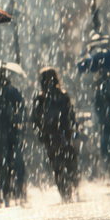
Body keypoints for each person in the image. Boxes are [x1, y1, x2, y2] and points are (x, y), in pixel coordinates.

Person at [32, 67, 79, 201]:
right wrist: (73, 128)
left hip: (50, 137)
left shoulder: (40, 99)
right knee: (70, 161)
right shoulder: (63, 96)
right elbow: (71, 115)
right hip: (64, 134)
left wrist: (40, 132)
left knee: (56, 166)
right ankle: (73, 183)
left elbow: (34, 119)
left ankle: (64, 192)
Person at [0, 68, 27, 205]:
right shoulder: (5, 91)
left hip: (2, 132)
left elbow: (21, 107)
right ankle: (13, 188)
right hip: (2, 132)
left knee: (8, 162)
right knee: (12, 161)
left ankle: (9, 188)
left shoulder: (2, 91)